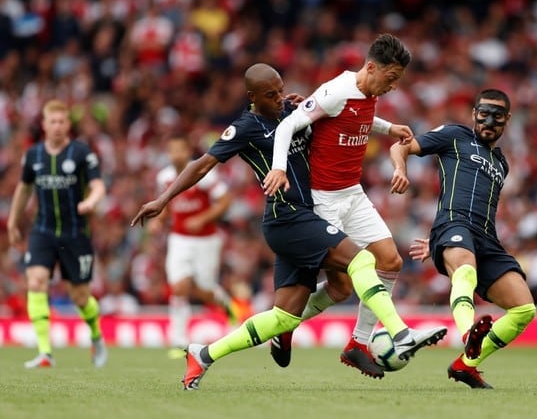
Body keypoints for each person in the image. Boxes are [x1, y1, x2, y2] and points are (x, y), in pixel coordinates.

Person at [131, 63, 446, 390]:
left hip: (306, 216)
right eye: (271, 94)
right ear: (252, 97)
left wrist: (387, 127)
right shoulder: (245, 128)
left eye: (281, 90)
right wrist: (163, 199)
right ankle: (400, 333)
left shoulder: (291, 110)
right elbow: (201, 165)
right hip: (289, 217)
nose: (279, 98)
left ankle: (204, 354)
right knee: (363, 261)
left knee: (293, 311)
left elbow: (341, 115)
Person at [262, 33, 414, 378]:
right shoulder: (336, 91)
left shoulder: (368, 92)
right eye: (391, 78)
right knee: (342, 286)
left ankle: (359, 343)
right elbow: (288, 125)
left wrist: (389, 128)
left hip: (353, 193)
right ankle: (283, 326)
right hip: (324, 199)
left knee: (390, 261)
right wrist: (279, 167)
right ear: (371, 67)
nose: (393, 87)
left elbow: (355, 118)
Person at [389, 89, 537, 389]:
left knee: (524, 309)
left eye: (497, 116)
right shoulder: (455, 135)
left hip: (486, 239)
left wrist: (438, 247)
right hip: (454, 223)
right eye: (484, 114)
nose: (489, 121)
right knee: (465, 270)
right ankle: (469, 333)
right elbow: (400, 147)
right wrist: (401, 169)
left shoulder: (502, 163)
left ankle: (465, 365)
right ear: (474, 114)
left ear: (507, 119)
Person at [7, 99, 108, 369]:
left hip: (75, 233)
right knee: (36, 281)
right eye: (52, 121)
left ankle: (96, 335)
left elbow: (98, 185)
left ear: (68, 124)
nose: (57, 126)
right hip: (43, 231)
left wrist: (91, 201)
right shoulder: (33, 155)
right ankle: (45, 352)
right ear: (44, 124)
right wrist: (13, 221)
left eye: (62, 121)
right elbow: (24, 189)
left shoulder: (81, 153)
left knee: (81, 298)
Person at [148, 134, 234, 359]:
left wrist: (202, 218)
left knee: (204, 290)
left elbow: (225, 201)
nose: (176, 155)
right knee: (179, 286)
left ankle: (226, 304)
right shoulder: (164, 177)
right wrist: (158, 221)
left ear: (188, 152)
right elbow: (167, 205)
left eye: (181, 150)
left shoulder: (203, 174)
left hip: (206, 240)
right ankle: (178, 341)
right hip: (179, 239)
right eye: (172, 150)